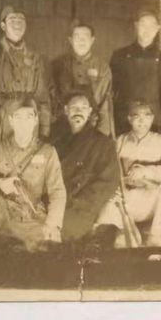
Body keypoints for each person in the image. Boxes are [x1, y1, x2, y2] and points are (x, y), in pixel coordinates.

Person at [0, 96, 65, 249]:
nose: (24, 123)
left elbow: (58, 191)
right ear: (11, 121)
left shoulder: (47, 152)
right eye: (18, 117)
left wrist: (53, 224)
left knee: (48, 249)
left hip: (31, 218)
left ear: (36, 120)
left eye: (29, 117)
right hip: (1, 213)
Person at [96, 101, 161, 247]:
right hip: (126, 199)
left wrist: (147, 172)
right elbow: (108, 172)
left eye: (146, 116)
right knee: (123, 241)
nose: (141, 121)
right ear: (129, 119)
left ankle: (155, 235)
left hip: (150, 200)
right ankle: (124, 231)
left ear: (152, 118)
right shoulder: (120, 141)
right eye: (136, 116)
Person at [52, 92, 121, 241]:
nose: (78, 112)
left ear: (89, 112)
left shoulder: (103, 143)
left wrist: (78, 203)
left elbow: (108, 182)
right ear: (66, 110)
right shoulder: (56, 141)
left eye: (83, 108)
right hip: (57, 202)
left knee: (59, 235)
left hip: (83, 207)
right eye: (74, 107)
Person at [0, 5, 51, 142]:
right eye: (12, 20)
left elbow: (43, 97)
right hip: (2, 120)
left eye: (21, 20)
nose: (17, 23)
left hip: (29, 122)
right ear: (3, 26)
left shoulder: (35, 56)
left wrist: (44, 129)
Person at [110, 8, 161, 138]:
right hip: (124, 120)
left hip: (153, 121)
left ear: (158, 29)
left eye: (151, 26)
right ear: (136, 26)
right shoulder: (119, 55)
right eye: (143, 25)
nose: (147, 29)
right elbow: (111, 91)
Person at [51, 20, 113, 136]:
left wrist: (102, 135)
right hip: (63, 127)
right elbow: (52, 99)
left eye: (85, 36)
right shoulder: (58, 65)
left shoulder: (102, 68)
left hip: (92, 127)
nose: (81, 40)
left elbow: (104, 105)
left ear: (92, 40)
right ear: (71, 40)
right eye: (77, 36)